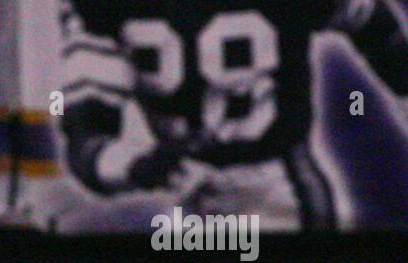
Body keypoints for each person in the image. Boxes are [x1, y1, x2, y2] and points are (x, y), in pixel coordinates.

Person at [58, 0, 408, 230]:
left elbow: (373, 24)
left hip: (281, 194)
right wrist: (136, 165)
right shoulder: (104, 8)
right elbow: (87, 139)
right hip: (187, 196)